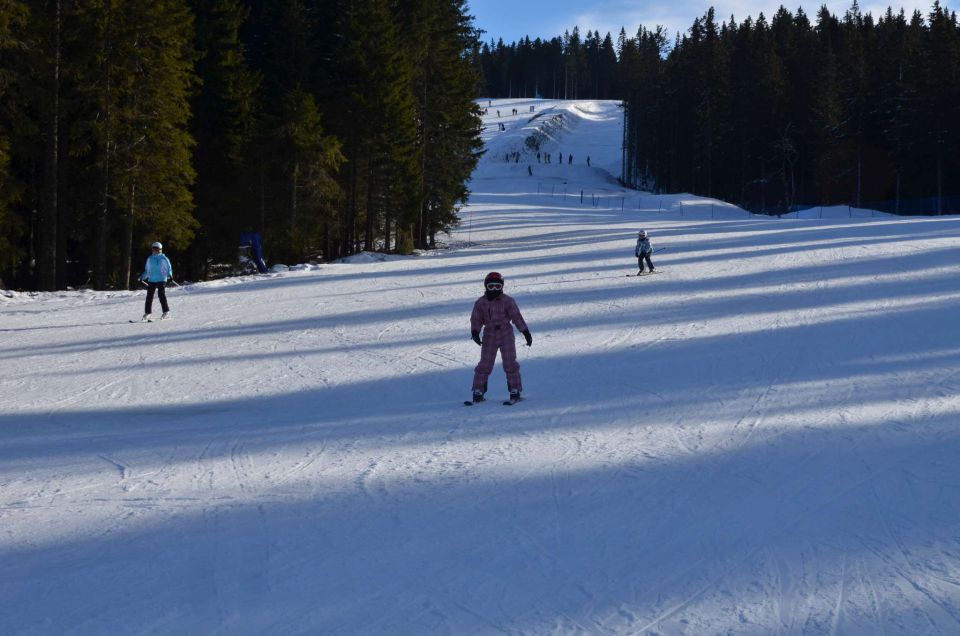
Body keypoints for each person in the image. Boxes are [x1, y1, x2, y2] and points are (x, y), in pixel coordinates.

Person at [470, 272, 532, 403]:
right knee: (485, 364)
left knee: (510, 363)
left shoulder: (508, 301)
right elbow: (476, 319)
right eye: (491, 286)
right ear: (486, 287)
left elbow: (516, 318)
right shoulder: (480, 303)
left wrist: (525, 332)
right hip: (489, 335)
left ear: (502, 287)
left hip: (506, 334)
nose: (494, 289)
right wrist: (475, 332)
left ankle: (514, 390)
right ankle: (478, 390)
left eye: (497, 286)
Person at [141, 241, 173, 320]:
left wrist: (170, 275)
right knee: (149, 296)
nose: (154, 250)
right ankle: (148, 313)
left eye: (156, 249)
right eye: (153, 249)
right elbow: (147, 270)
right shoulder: (150, 259)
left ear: (160, 249)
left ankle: (166, 312)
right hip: (152, 279)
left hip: (162, 279)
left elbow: (169, 268)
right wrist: (142, 277)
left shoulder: (164, 258)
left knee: (161, 295)